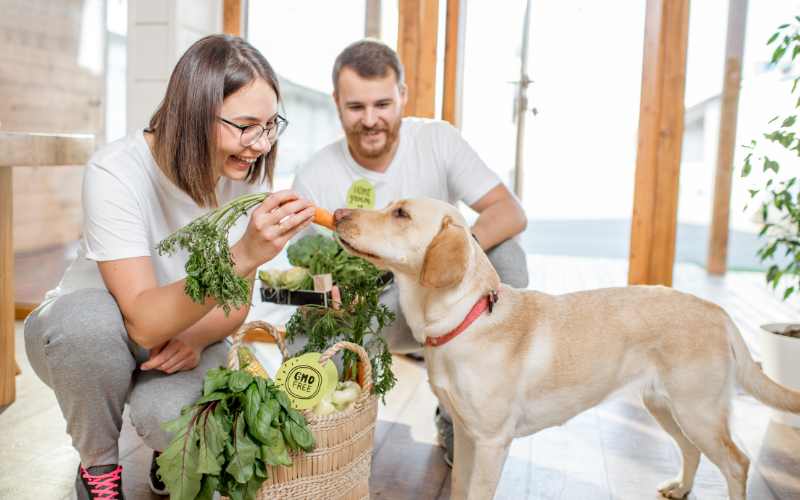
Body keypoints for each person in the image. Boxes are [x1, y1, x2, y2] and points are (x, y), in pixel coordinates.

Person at [23, 35, 315, 499]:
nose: (261, 144)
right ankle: (98, 468)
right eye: (245, 126)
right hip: (88, 343)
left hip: (182, 339)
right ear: (194, 114)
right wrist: (244, 252)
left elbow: (236, 308)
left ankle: (168, 455)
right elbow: (139, 320)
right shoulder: (117, 171)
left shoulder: (242, 174)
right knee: (88, 324)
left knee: (175, 420)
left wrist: (197, 337)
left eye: (270, 125)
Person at [291, 38, 529, 466]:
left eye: (382, 103)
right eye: (355, 107)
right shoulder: (315, 175)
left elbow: (509, 211)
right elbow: (299, 273)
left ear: (403, 94)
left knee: (507, 257)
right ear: (336, 102)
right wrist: (325, 293)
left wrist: (445, 257)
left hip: (441, 300)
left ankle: (462, 416)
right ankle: (339, 436)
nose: (370, 120)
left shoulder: (437, 140)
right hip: (370, 309)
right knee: (303, 330)